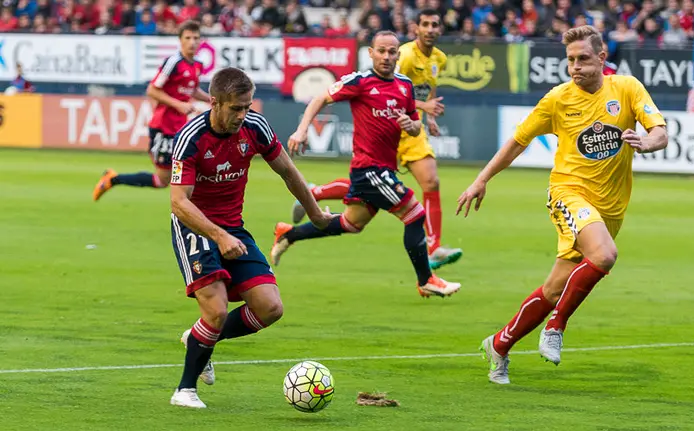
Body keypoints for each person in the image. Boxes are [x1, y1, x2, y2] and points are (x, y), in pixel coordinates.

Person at [457, 25, 668, 384]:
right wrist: (482, 179)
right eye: (570, 60)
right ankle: (556, 327)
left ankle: (498, 344)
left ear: (602, 59)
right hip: (567, 193)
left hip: (610, 208)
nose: (575, 66)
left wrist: (647, 143)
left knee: (555, 290)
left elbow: (660, 131)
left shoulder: (628, 89)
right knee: (604, 256)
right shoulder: (558, 99)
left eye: (583, 59)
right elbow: (517, 141)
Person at [168, 67, 333, 408]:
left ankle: (199, 339)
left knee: (270, 308)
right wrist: (218, 236)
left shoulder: (254, 126)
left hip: (233, 228)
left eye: (247, 107)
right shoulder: (191, 138)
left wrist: (315, 214)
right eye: (235, 108)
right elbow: (179, 202)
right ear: (214, 103)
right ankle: (185, 390)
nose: (242, 115)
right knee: (215, 310)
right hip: (194, 228)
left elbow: (288, 170)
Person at [270, 30, 461, 299]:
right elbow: (319, 98)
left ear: (398, 55)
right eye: (380, 51)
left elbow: (416, 127)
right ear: (370, 53)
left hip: (385, 168)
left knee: (351, 224)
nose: (386, 56)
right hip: (369, 168)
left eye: (391, 51)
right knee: (415, 214)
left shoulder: (405, 85)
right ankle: (426, 279)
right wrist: (302, 130)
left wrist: (413, 125)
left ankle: (289, 234)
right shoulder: (360, 81)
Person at [93, 20, 211, 201]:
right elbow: (152, 90)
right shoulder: (173, 63)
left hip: (180, 128)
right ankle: (113, 179)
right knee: (163, 179)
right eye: (188, 37)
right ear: (180, 40)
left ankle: (196, 213)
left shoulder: (197, 65)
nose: (192, 42)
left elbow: (191, 89)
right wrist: (178, 105)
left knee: (187, 171)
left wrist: (211, 99)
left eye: (196, 38)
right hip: (163, 127)